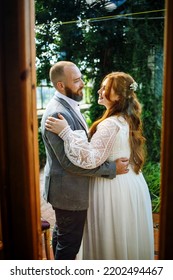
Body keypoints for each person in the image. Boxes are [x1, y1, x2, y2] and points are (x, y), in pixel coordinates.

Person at [45, 71, 155, 260]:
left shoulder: (110, 124)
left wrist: (66, 133)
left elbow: (89, 159)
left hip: (113, 189)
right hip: (130, 184)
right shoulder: (126, 118)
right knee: (124, 238)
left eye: (105, 87)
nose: (99, 90)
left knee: (110, 239)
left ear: (118, 96)